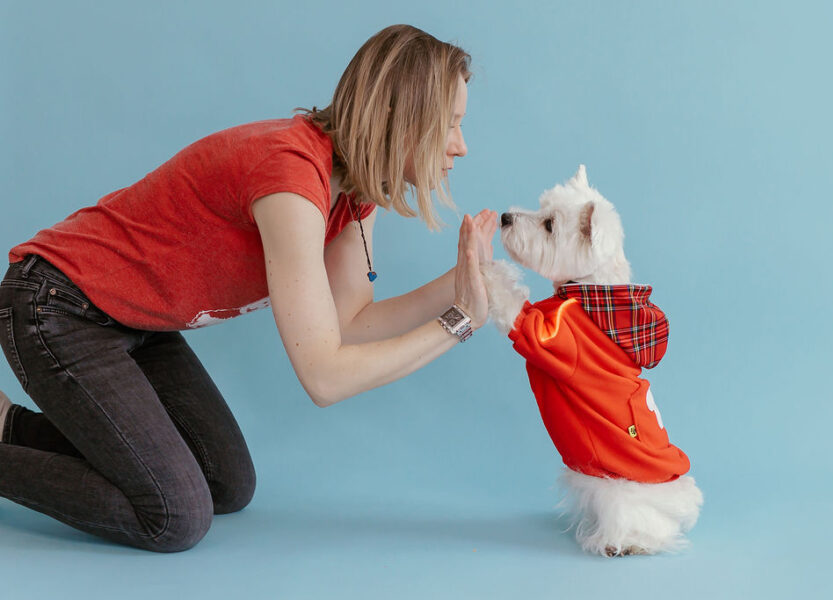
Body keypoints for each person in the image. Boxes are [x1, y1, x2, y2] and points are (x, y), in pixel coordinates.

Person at [0, 24, 497, 552]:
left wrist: (462, 283)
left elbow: (351, 326)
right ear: (399, 117)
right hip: (58, 306)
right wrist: (459, 322)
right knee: (174, 516)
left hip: (137, 322)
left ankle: (9, 426)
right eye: (450, 124)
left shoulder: (353, 191)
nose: (461, 147)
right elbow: (324, 376)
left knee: (227, 483)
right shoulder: (290, 178)